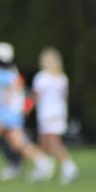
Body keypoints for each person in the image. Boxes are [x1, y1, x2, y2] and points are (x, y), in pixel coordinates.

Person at [0, 43, 53, 183]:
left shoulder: (1, 77)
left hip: (2, 115)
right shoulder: (13, 75)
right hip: (12, 116)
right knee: (18, 143)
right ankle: (43, 162)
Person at [32, 48, 79, 184]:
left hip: (47, 113)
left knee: (53, 142)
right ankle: (45, 167)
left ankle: (68, 166)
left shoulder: (41, 77)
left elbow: (37, 96)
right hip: (59, 112)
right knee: (45, 142)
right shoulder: (62, 78)